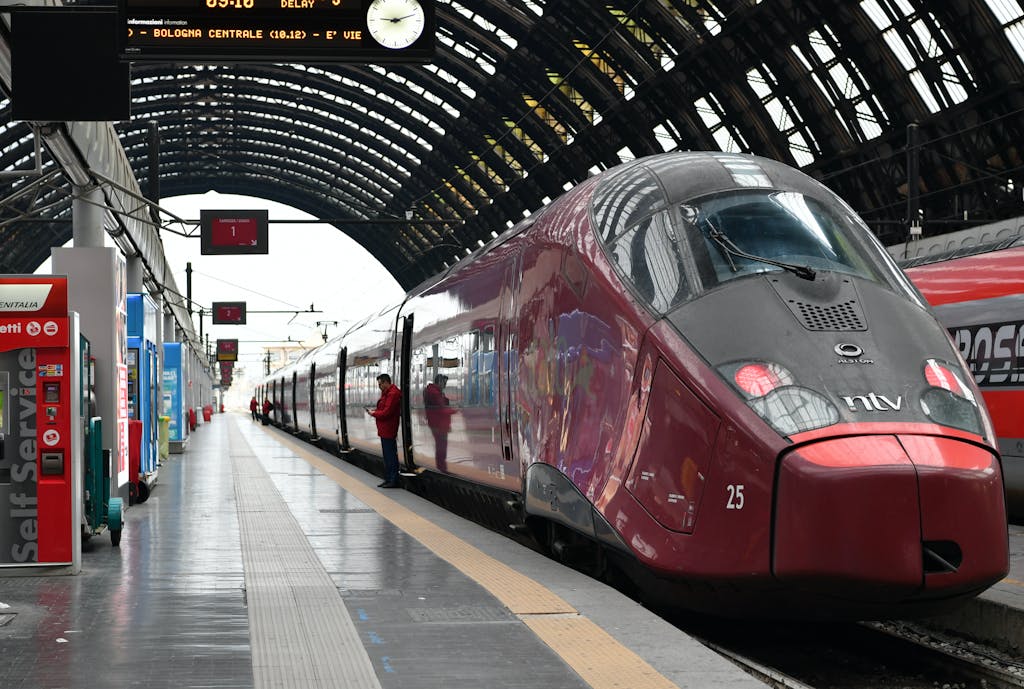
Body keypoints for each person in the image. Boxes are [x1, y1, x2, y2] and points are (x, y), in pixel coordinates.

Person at [367, 373, 402, 488]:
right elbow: (383, 409)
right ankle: (388, 478)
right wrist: (375, 411)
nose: (379, 386)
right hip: (384, 428)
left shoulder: (393, 394)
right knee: (387, 456)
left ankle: (393, 479)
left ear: (386, 382)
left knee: (390, 455)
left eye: (380, 384)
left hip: (389, 428)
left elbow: (387, 412)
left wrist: (374, 413)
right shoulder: (386, 394)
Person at [423, 374, 455, 472]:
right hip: (438, 423)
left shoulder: (433, 391)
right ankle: (442, 466)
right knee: (441, 445)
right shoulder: (435, 392)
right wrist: (455, 411)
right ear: (440, 382)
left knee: (440, 445)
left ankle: (441, 466)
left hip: (437, 423)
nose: (445, 385)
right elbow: (442, 408)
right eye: (444, 383)